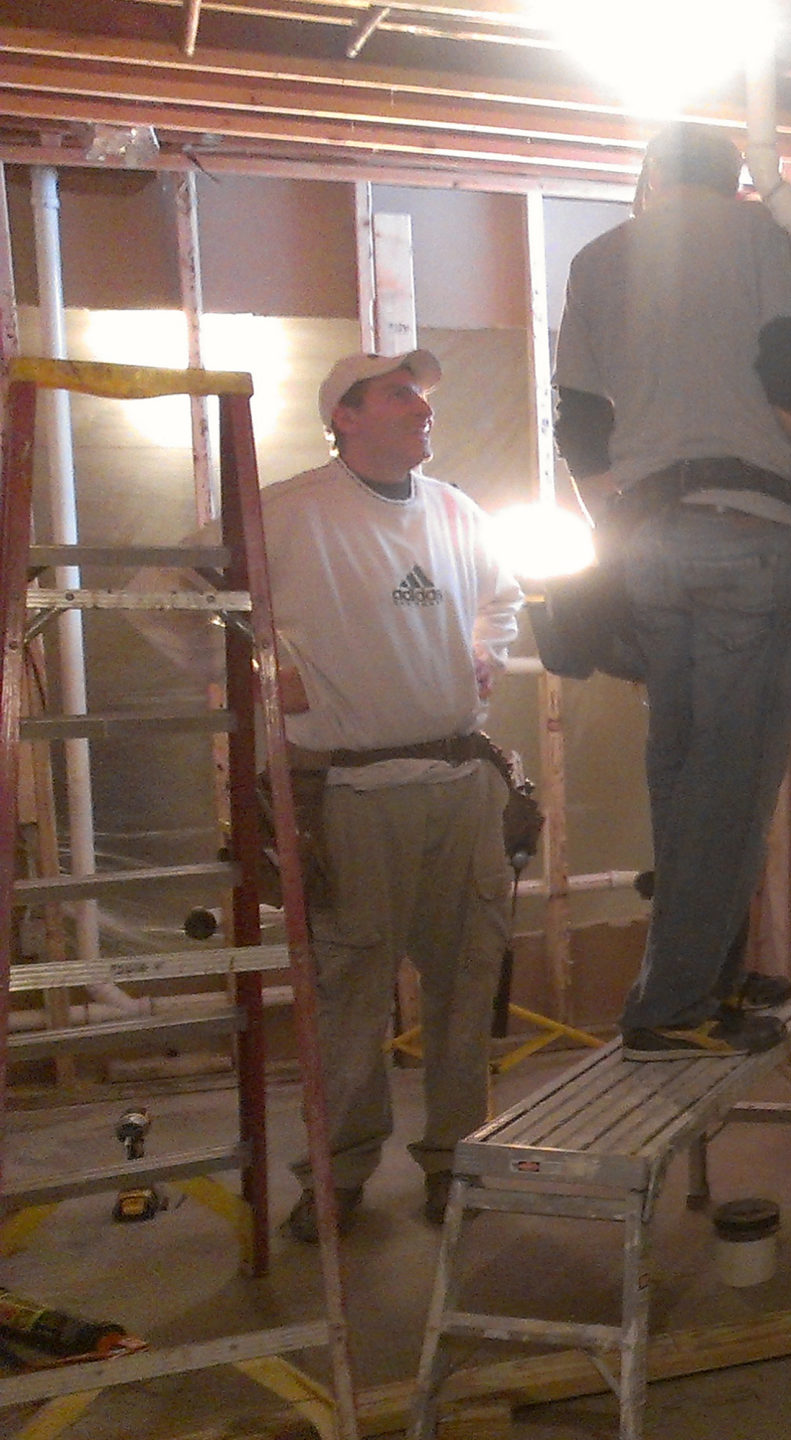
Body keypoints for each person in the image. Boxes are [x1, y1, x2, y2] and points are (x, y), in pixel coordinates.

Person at [148, 350, 525, 1241]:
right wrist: (257, 677)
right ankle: (339, 1171)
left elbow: (501, 598)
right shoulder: (289, 511)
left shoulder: (457, 510)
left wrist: (485, 648)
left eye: (424, 396)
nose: (421, 408)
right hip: (351, 794)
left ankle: (455, 1163)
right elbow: (161, 593)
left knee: (466, 986)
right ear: (345, 416)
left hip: (461, 781)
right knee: (350, 994)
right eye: (401, 394)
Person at [552, 124, 791, 1060]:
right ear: (735, 180)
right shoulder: (769, 238)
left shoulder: (599, 257)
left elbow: (581, 427)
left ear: (652, 175)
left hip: (646, 543)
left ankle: (704, 974)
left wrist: (618, 525)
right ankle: (674, 1006)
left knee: (682, 766)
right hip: (747, 532)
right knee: (734, 775)